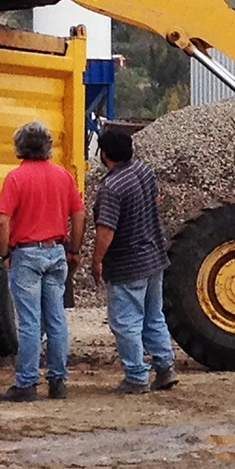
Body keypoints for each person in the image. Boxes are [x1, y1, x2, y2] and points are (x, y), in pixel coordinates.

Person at [0, 120, 85, 403]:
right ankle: (58, 381)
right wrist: (74, 249)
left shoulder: (16, 178)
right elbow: (79, 213)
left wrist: (4, 253)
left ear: (20, 147)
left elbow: (2, 221)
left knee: (30, 322)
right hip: (56, 251)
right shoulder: (62, 176)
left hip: (26, 253)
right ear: (48, 147)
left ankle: (26, 383)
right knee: (56, 319)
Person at [91, 125, 177, 394]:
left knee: (126, 322)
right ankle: (165, 367)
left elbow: (106, 229)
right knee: (153, 316)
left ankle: (136, 376)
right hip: (154, 257)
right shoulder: (143, 170)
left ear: (104, 154)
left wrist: (97, 261)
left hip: (127, 264)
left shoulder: (112, 187)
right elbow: (155, 199)